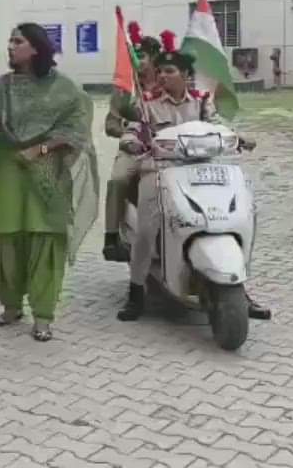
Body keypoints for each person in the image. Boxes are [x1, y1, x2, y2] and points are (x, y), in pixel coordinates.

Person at [116, 32, 272, 322]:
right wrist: (131, 141)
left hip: (202, 169)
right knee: (147, 231)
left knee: (234, 217)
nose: (162, 75)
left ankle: (240, 286)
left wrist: (238, 138)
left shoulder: (201, 101)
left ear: (185, 74)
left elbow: (217, 126)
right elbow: (132, 129)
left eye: (170, 71)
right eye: (160, 70)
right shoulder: (147, 103)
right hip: (160, 170)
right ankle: (136, 292)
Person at [0, 24, 99, 342]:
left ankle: (43, 315)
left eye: (17, 41)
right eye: (9, 40)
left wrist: (41, 148)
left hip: (47, 168)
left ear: (36, 48)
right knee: (9, 237)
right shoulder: (2, 86)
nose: (10, 46)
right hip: (8, 165)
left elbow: (77, 127)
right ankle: (10, 307)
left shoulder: (63, 88)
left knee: (46, 237)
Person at [102, 24, 161, 262]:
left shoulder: (167, 82)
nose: (138, 61)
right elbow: (110, 125)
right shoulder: (125, 89)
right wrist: (130, 131)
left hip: (166, 152)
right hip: (133, 150)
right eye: (133, 56)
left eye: (143, 56)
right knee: (118, 180)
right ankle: (111, 238)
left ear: (155, 58)